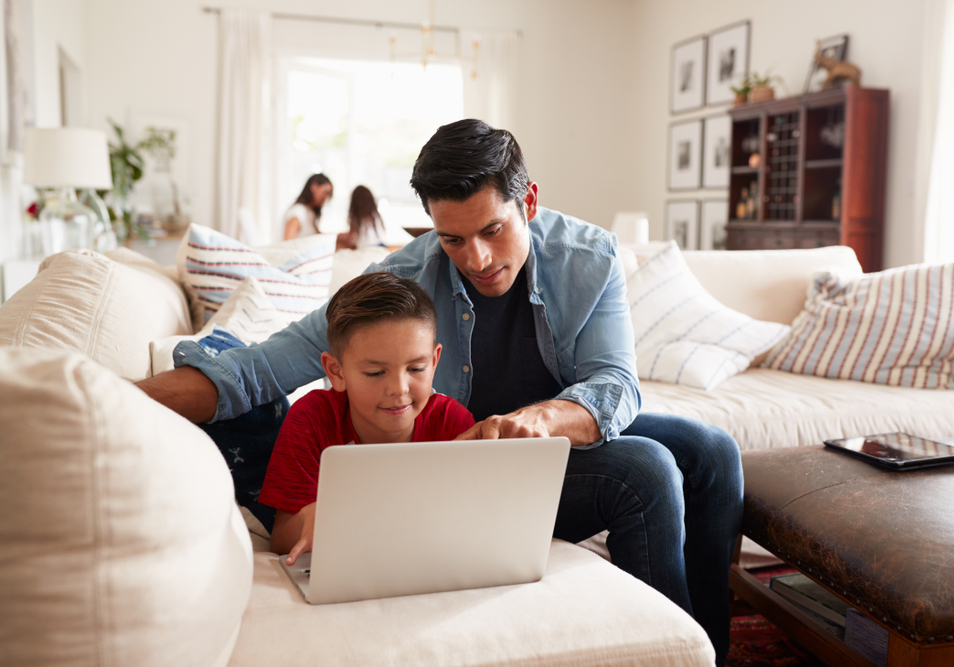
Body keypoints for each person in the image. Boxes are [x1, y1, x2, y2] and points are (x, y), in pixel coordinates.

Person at [137, 119, 742, 667]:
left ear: (528, 201)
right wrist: (108, 399)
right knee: (646, 468)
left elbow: (616, 385)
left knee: (713, 451)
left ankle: (706, 643)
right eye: (452, 239)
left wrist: (544, 417)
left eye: (492, 230)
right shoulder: (403, 280)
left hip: (548, 436)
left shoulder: (589, 257)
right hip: (464, 456)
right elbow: (258, 371)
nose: (475, 258)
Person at [259, 272, 474, 565]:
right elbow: (280, 538)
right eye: (375, 372)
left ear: (434, 361)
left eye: (416, 368)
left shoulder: (454, 423)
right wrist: (308, 520)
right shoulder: (312, 419)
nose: (399, 388)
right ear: (336, 372)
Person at [283, 173, 333, 240]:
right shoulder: (297, 212)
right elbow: (287, 243)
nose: (326, 197)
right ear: (314, 187)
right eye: (325, 192)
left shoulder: (310, 212)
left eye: (329, 194)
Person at [336, 185, 386, 250]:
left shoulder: (357, 218)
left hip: (366, 248)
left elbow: (352, 239)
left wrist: (340, 237)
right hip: (382, 245)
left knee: (338, 243)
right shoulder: (375, 215)